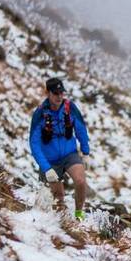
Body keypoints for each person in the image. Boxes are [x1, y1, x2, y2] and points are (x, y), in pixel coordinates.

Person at [28, 77, 92, 220]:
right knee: (59, 198)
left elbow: (81, 129)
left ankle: (79, 215)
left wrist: (86, 152)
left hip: (69, 154)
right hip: (50, 160)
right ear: (48, 93)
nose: (59, 96)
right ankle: (63, 225)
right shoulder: (40, 113)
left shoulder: (70, 108)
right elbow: (34, 143)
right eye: (55, 93)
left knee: (81, 182)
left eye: (61, 93)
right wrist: (46, 167)